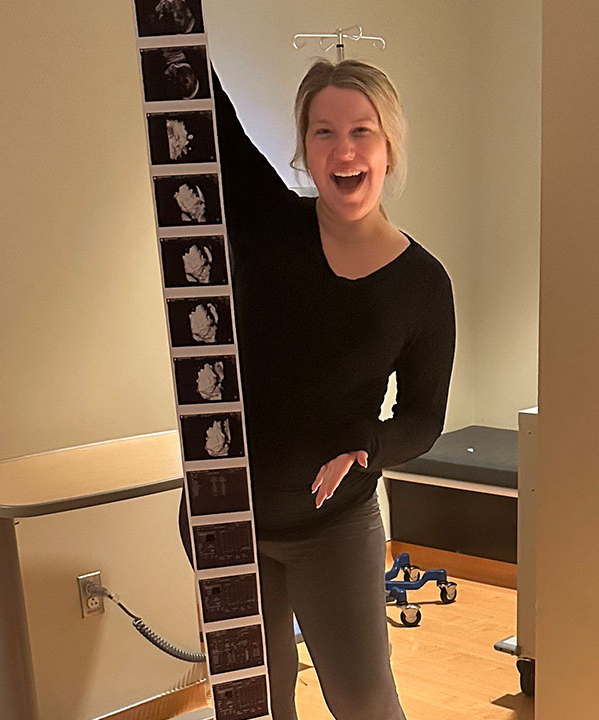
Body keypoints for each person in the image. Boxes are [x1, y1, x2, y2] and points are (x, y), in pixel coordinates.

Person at [178, 58, 456, 720]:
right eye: (323, 132)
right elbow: (209, 111)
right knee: (252, 705)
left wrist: (369, 442)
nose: (344, 149)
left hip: (333, 528)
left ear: (389, 144)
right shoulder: (267, 223)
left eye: (362, 130)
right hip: (227, 522)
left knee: (365, 704)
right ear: (304, 148)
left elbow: (423, 418)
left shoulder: (422, 285)